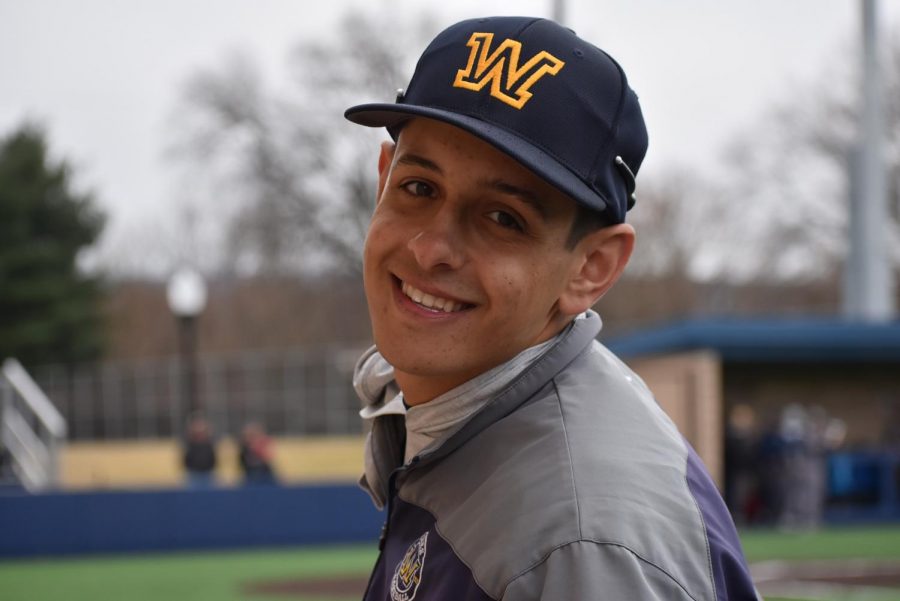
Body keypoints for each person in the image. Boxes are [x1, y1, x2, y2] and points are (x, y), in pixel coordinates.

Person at [346, 16, 758, 600]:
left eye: (502, 218)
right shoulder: (460, 414)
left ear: (591, 268)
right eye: (419, 188)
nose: (431, 248)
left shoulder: (577, 546)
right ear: (384, 179)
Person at [182, 414, 217, 488]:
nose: (199, 434)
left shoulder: (209, 445)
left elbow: (213, 459)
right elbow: (186, 460)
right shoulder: (190, 445)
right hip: (194, 474)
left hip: (207, 474)